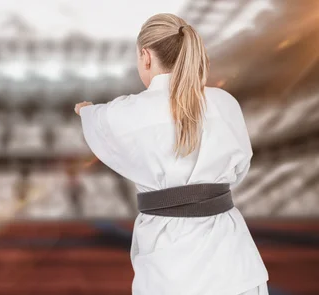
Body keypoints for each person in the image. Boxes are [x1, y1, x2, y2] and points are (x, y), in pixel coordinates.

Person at [74, 13, 269, 295]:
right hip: (234, 264)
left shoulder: (126, 112)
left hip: (168, 270)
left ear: (146, 56)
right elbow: (239, 170)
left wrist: (85, 110)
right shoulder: (225, 104)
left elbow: (98, 121)